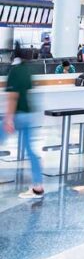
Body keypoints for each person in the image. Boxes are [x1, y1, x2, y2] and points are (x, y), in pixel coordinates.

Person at [1, 47, 45, 199]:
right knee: (30, 151)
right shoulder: (27, 70)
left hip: (17, 115)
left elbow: (13, 96)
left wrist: (8, 119)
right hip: (28, 114)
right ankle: (38, 186)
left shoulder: (14, 71)